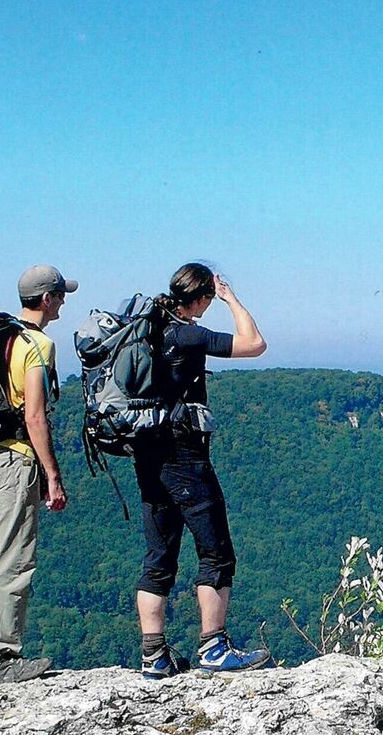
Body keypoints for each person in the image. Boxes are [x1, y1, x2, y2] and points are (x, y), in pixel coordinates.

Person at [134, 262, 268, 679]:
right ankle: (214, 647)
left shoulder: (150, 327)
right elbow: (254, 343)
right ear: (202, 297)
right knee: (216, 553)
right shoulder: (187, 334)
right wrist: (231, 298)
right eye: (209, 297)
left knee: (158, 558)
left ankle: (153, 656)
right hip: (184, 457)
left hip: (147, 454)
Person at [0, 264, 74, 682]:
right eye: (60, 295)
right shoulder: (37, 345)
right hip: (17, 461)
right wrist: (53, 474)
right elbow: (35, 416)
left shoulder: (1, 337)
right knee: (14, 559)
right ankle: (3, 658)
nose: (63, 302)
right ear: (46, 299)